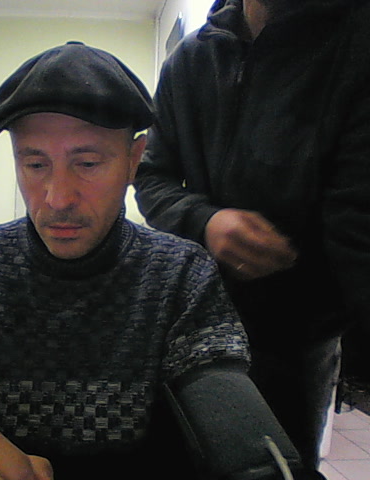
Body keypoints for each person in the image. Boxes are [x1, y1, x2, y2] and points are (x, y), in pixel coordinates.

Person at [0, 42, 324, 480]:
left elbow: (226, 407)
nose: (57, 198)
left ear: (134, 160)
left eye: (87, 164)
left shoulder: (179, 274)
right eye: (35, 164)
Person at [133, 0, 370, 470]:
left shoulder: (356, 41)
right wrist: (204, 221)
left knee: (276, 465)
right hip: (191, 324)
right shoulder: (190, 59)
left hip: (298, 342)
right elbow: (152, 176)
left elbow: (358, 225)